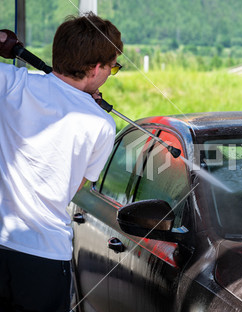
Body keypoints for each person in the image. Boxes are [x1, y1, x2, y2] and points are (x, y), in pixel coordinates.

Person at [0, 13, 123, 311]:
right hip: (44, 257)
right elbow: (75, 187)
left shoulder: (11, 84)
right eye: (113, 67)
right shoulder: (102, 125)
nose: (110, 73)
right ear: (95, 69)